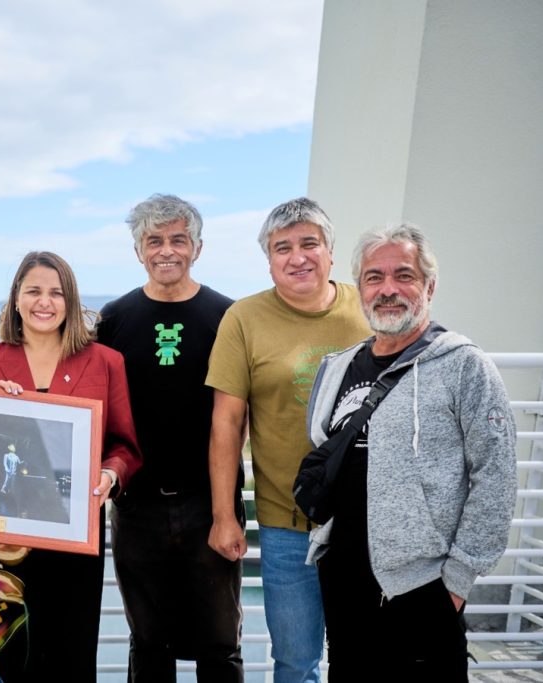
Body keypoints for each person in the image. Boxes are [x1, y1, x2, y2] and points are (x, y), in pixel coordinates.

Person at [305, 224, 516, 680]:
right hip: (344, 579)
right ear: (360, 289)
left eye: (404, 275)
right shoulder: (337, 367)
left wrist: (456, 582)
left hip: (425, 585)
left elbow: (495, 477)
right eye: (374, 277)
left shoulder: (464, 366)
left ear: (429, 286)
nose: (388, 289)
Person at [206, 197, 371, 683]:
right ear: (269, 259)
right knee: (296, 663)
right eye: (283, 248)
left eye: (309, 244)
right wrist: (224, 517)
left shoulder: (368, 307)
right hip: (286, 520)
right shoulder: (244, 318)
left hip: (366, 521)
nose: (297, 257)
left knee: (365, 657)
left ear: (331, 252)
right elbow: (226, 424)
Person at [0, 251, 142, 682]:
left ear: (71, 301)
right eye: (34, 291)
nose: (45, 302)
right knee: (0, 661)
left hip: (74, 534)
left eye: (57, 293)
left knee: (69, 657)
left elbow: (124, 445)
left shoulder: (105, 362)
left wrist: (110, 474)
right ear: (16, 299)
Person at [97, 194, 243, 681]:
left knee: (220, 643)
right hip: (136, 504)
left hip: (210, 501)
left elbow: (241, 413)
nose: (166, 250)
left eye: (178, 240)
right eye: (154, 240)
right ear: (138, 250)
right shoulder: (113, 319)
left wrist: (225, 512)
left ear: (197, 248)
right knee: (148, 643)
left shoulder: (227, 317)